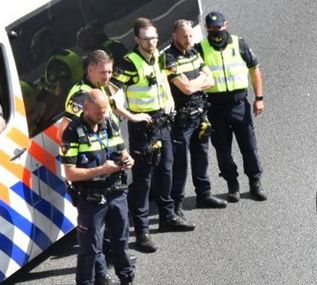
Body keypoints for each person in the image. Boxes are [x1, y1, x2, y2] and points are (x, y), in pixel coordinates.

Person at [60, 90, 145, 285]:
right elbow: (70, 172)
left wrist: (128, 160)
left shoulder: (109, 122)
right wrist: (101, 170)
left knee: (121, 241)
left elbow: (122, 150)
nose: (103, 115)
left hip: (117, 192)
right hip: (91, 198)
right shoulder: (73, 132)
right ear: (85, 109)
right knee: (89, 248)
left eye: (105, 110)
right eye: (98, 112)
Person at [114, 17, 189, 253]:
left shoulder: (160, 55)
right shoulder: (129, 63)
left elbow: (164, 83)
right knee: (143, 179)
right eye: (146, 39)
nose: (151, 42)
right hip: (143, 127)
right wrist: (130, 115)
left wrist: (169, 104)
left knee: (166, 169)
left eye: (154, 38)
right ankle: (142, 232)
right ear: (137, 39)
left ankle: (168, 217)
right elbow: (112, 94)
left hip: (162, 121)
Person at [200, 11, 266, 202]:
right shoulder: (201, 48)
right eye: (211, 28)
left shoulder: (239, 43)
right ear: (206, 28)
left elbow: (255, 70)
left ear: (226, 25)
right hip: (215, 107)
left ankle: (255, 183)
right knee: (223, 150)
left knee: (249, 147)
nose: (215, 31)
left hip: (239, 105)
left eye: (218, 27)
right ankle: (232, 185)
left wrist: (259, 98)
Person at [165, 19, 228, 210]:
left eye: (191, 35)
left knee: (202, 156)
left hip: (200, 114)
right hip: (181, 119)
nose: (189, 39)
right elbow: (185, 88)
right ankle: (176, 205)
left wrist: (195, 84)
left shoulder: (193, 52)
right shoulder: (168, 59)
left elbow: (211, 80)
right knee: (180, 164)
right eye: (184, 36)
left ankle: (204, 195)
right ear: (174, 36)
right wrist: (198, 82)